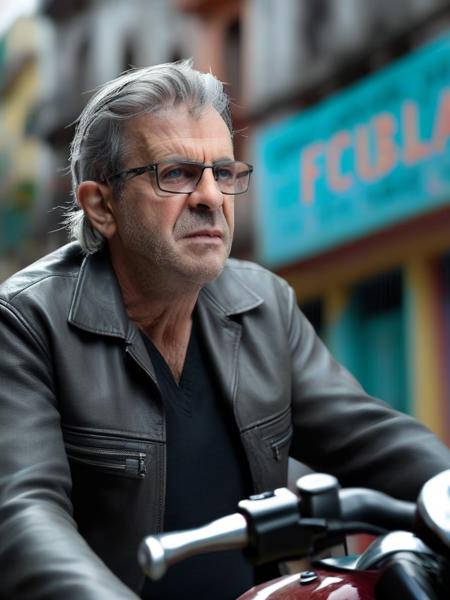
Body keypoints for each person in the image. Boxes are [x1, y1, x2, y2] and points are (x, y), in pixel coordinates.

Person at [0, 60, 449, 600]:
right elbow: (24, 517)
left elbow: (378, 441)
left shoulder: (264, 305)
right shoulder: (24, 322)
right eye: (177, 173)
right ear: (101, 205)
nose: (211, 196)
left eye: (225, 172)